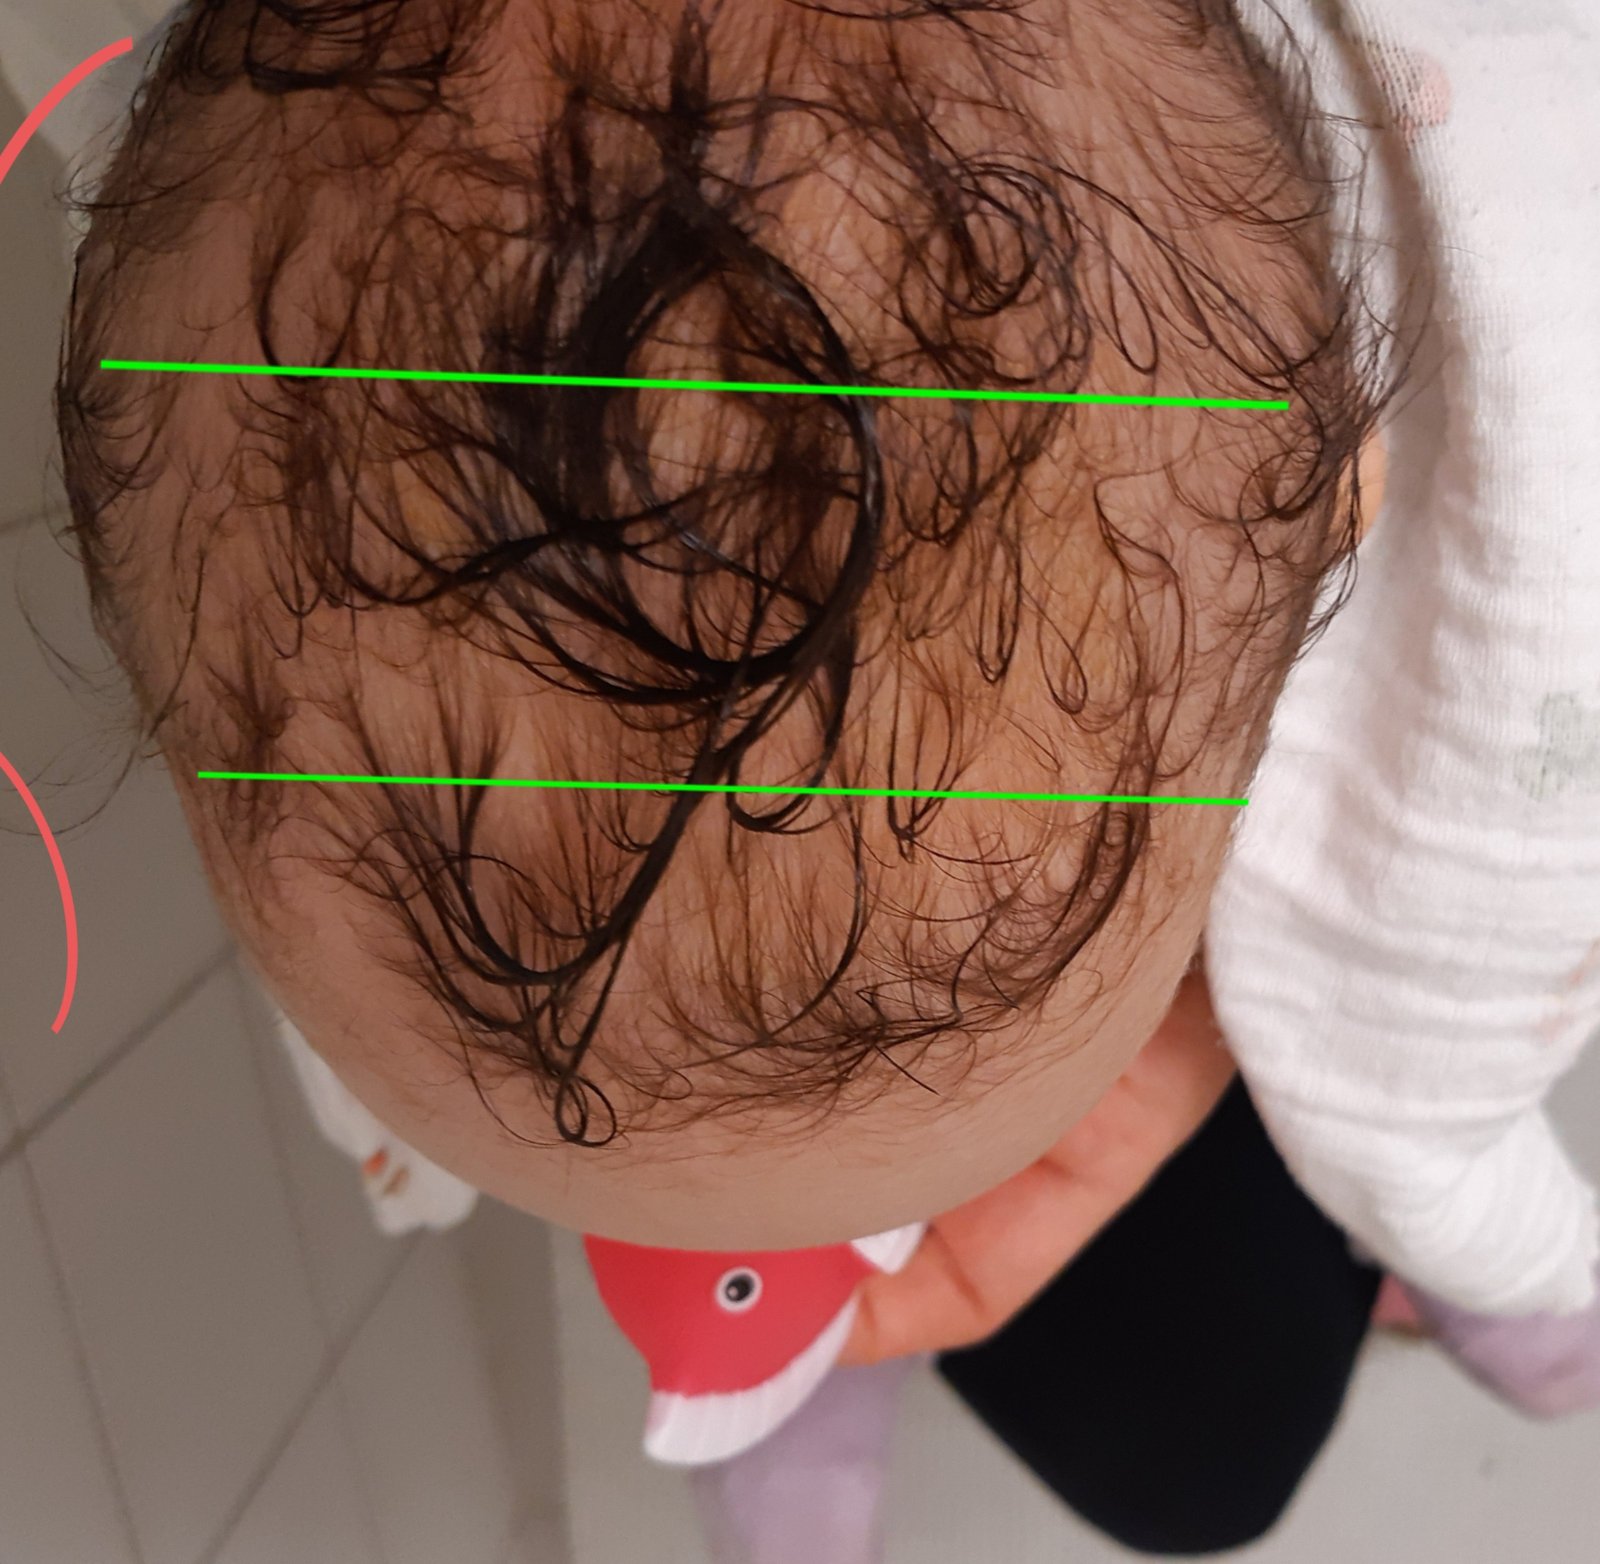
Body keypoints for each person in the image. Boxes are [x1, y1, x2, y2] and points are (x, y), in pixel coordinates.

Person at [31, 0, 1600, 1558]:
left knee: (1206, 1463)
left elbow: (1422, 1079)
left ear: (1337, 536)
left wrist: (1521, 1259)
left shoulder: (1536, 514)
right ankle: (772, 1334)